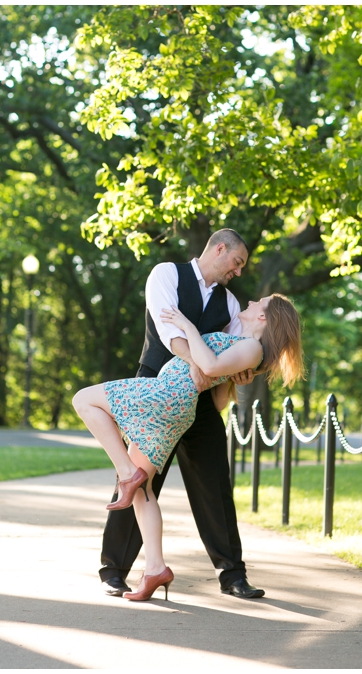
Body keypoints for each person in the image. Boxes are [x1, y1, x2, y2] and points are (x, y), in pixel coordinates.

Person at [73, 293, 302, 600]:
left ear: (264, 317)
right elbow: (219, 399)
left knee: (83, 400)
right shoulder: (241, 345)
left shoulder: (251, 347)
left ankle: (127, 474)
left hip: (165, 395)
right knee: (144, 491)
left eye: (258, 303)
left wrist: (185, 325)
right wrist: (231, 379)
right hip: (175, 406)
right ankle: (155, 568)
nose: (251, 302)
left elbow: (208, 364)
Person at [84, 229, 271, 600]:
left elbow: (232, 352)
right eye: (237, 262)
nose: (238, 272)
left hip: (201, 405)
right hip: (155, 388)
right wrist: (200, 365)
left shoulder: (232, 305)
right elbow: (169, 329)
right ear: (219, 249)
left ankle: (232, 574)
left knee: (215, 485)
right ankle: (114, 570)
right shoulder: (166, 274)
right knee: (138, 482)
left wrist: (239, 373)